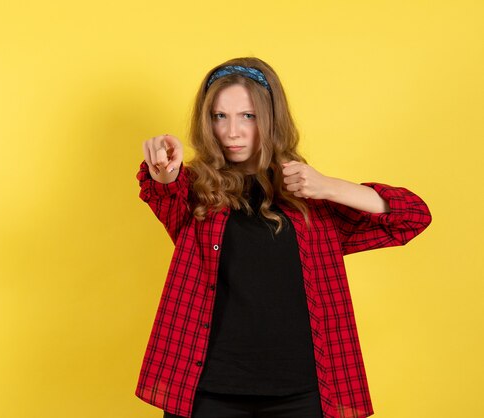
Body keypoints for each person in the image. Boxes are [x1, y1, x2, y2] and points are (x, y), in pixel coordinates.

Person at [135, 57, 431, 418]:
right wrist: (164, 171)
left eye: (248, 116)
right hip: (208, 391)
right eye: (219, 116)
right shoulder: (197, 194)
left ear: (271, 119)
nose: (232, 131)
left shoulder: (311, 202)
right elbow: (165, 191)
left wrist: (329, 187)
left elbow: (412, 217)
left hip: (304, 392)